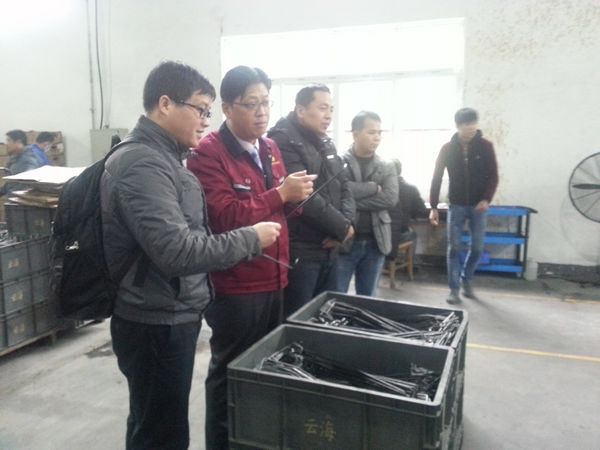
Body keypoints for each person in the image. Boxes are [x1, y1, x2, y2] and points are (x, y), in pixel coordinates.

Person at [100, 61, 281, 450]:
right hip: (155, 319)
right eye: (200, 109)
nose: (205, 121)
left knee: (152, 422)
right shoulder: (143, 163)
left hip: (168, 310)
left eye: (208, 112)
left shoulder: (165, 157)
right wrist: (251, 237)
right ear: (166, 104)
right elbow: (178, 251)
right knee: (162, 434)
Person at [187, 66, 316, 450]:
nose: (262, 112)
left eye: (266, 103)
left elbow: (276, 209)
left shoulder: (269, 148)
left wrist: (294, 199)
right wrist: (280, 195)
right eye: (251, 104)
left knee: (263, 371)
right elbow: (224, 216)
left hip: (275, 277)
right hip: (237, 287)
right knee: (230, 374)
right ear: (227, 108)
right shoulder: (208, 154)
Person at [268, 84, 355, 316]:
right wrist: (342, 227)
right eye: (322, 108)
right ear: (301, 110)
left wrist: (344, 227)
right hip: (302, 251)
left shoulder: (326, 142)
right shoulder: (281, 141)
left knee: (327, 316)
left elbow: (344, 185)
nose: (328, 115)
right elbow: (302, 196)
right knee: (299, 319)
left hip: (330, 247)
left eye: (331, 109)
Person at [429, 107, 499, 304]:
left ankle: (466, 279)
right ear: (458, 126)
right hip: (456, 206)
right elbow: (437, 177)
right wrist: (434, 206)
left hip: (479, 206)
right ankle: (454, 289)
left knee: (477, 248)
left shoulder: (486, 146)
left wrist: (486, 199)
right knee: (454, 248)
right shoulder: (447, 149)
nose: (471, 127)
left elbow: (493, 176)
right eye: (466, 124)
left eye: (473, 123)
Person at [335, 111, 398, 296]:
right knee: (337, 295)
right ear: (355, 134)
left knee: (368, 298)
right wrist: (372, 188)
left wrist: (351, 200)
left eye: (379, 132)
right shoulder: (339, 162)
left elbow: (390, 198)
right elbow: (336, 193)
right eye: (371, 132)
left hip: (375, 241)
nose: (377, 137)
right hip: (345, 240)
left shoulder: (386, 165)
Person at [387, 159, 428, 262]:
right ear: (400, 170)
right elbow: (422, 211)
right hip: (399, 234)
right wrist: (410, 213)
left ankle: (386, 263)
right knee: (412, 234)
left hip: (382, 235)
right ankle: (411, 264)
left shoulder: (382, 188)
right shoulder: (411, 189)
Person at [1, 129, 45, 196]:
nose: (6, 144)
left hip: (20, 200)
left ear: (18, 142)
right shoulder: (16, 159)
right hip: (13, 198)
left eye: (9, 141)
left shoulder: (28, 160)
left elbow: (27, 187)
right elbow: (11, 184)